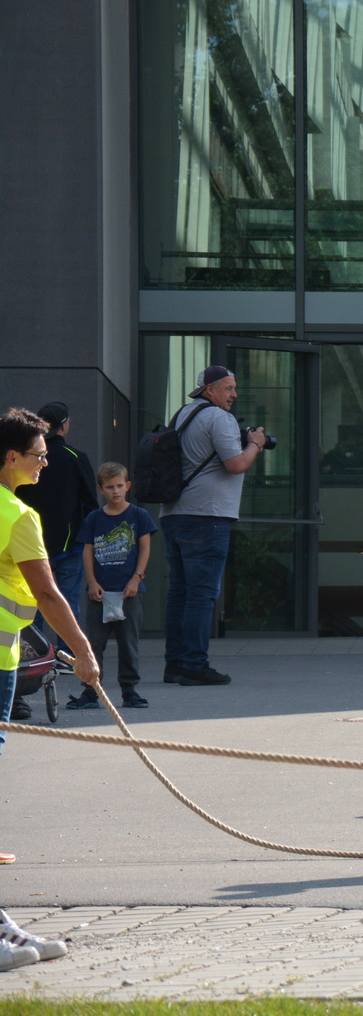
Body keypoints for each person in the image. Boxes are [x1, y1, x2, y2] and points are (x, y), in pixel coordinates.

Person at [1, 407, 102, 953]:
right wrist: (83, 651)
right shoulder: (17, 514)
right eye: (40, 455)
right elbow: (46, 594)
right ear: (11, 457)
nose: (46, 462)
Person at [159, 366, 269, 686]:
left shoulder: (182, 415)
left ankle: (176, 664)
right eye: (229, 388)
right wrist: (256, 444)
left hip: (174, 514)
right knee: (202, 594)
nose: (234, 394)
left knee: (180, 592)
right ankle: (194, 665)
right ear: (210, 389)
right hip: (207, 517)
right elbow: (236, 464)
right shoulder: (219, 418)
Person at [13, 401, 97, 718]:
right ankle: (70, 662)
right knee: (63, 607)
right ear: (64, 425)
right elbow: (91, 504)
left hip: (32, 551)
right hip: (62, 548)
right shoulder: (75, 458)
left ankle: (28, 676)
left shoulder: (23, 467)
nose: (43, 464)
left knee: (29, 618)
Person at [68, 462, 156, 711]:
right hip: (100, 592)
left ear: (128, 486)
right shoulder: (94, 518)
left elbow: (145, 547)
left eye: (119, 486)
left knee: (129, 643)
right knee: (93, 645)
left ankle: (130, 691)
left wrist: (136, 578)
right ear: (100, 489)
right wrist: (92, 582)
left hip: (129, 591)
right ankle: (91, 691)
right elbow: (88, 551)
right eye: (110, 487)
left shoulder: (139, 515)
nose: (115, 491)